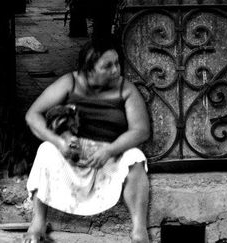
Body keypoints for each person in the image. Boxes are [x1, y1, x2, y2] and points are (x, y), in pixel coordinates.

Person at [23, 39, 151, 243]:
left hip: (109, 156)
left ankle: (139, 232)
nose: (116, 70)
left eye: (117, 63)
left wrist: (110, 150)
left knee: (135, 158)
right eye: (107, 66)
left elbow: (141, 130)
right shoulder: (70, 82)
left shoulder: (125, 89)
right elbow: (33, 115)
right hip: (73, 154)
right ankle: (37, 225)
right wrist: (58, 142)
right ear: (89, 70)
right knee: (46, 150)